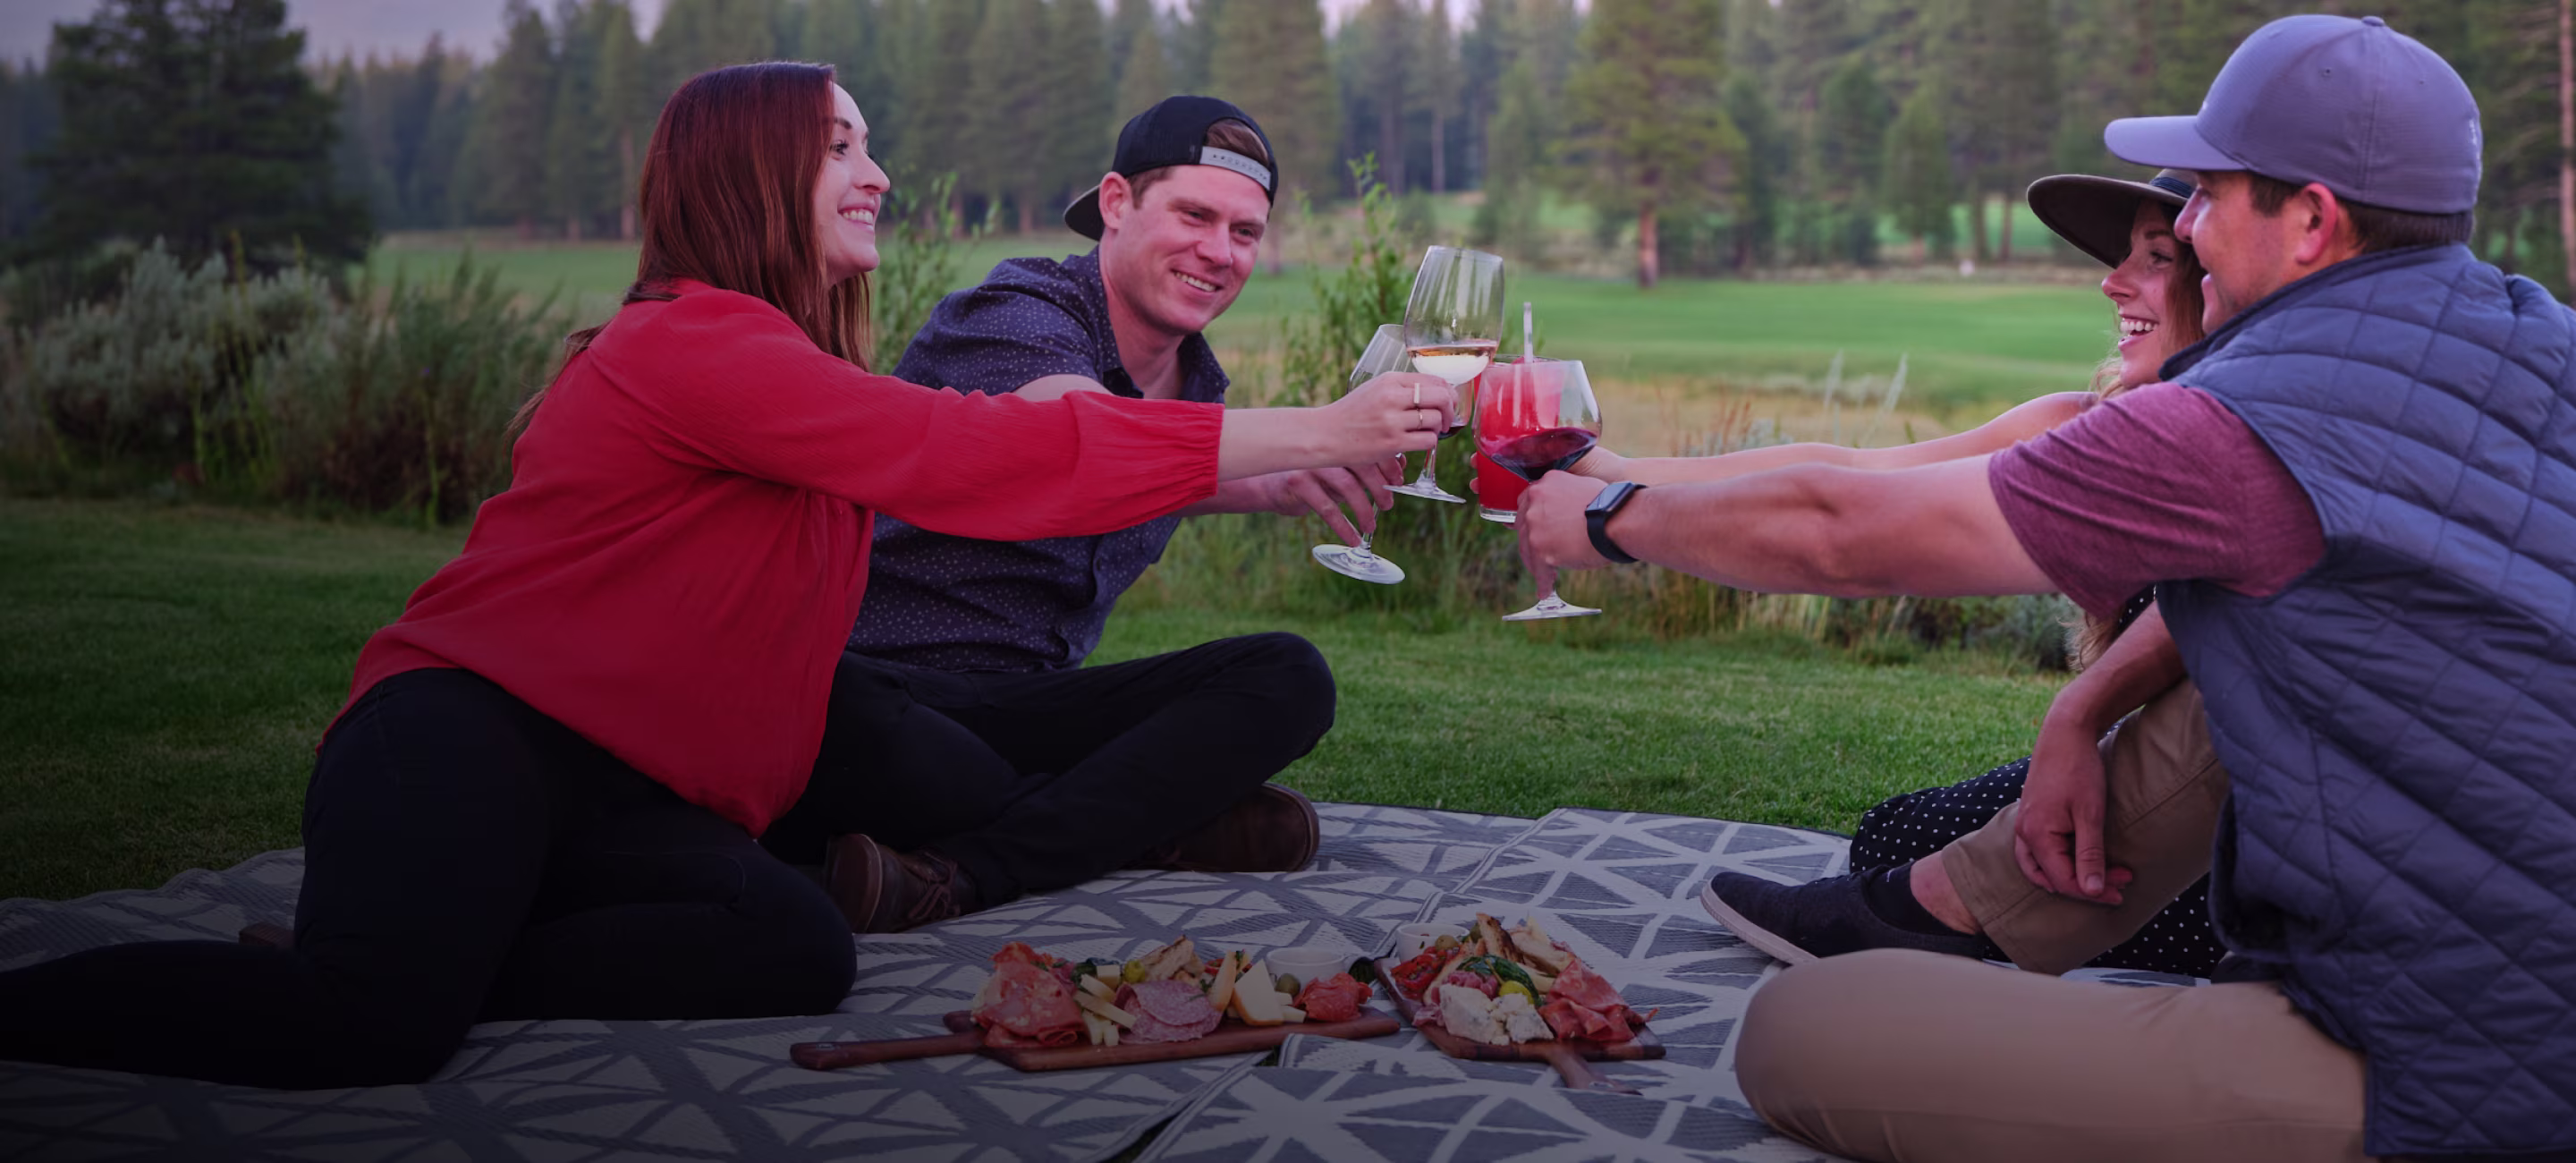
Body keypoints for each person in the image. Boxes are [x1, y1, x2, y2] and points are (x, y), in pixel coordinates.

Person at [0, 63, 1452, 1090]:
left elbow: (997, 442)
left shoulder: (791, 370)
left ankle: (459, 947)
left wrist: (1268, 469)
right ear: (744, 171)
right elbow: (989, 456)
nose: (878, 171)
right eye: (841, 149)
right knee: (367, 1030)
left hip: (637, 786)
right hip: (470, 733)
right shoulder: (692, 341)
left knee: (793, 943)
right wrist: (1323, 423)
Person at [1520, 16, 2571, 1161]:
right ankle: (1974, 918)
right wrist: (2081, 703)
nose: (2190, 229)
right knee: (2243, 677)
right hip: (2508, 952)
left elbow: (1850, 536)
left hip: (2463, 1060)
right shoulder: (2533, 337)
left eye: (2208, 198)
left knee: (1804, 1030)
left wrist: (1619, 521)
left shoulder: (2244, 416)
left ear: (2314, 219)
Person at [765, 97, 1403, 934]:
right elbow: (1088, 444)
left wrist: (1271, 483)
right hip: (886, 689)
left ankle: (968, 861)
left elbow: (1151, 460)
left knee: (1286, 675)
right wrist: (1327, 426)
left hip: (1031, 707)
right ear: (1115, 205)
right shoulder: (1013, 315)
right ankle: (1138, 826)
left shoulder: (1197, 385)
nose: (1218, 251)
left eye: (1244, 232)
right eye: (1194, 214)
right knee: (840, 711)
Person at [1572, 170, 2227, 977]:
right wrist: (1624, 474)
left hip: (2223, 826)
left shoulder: (2231, 450)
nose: (2111, 280)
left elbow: (2218, 628)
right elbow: (1856, 469)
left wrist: (1614, 520)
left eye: (2154, 258)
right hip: (2125, 771)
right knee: (1893, 834)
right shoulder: (2087, 422)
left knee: (1907, 848)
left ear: (2222, 283)